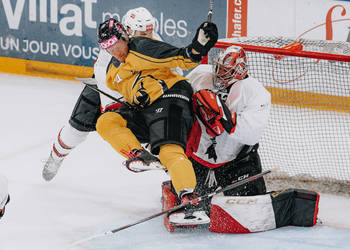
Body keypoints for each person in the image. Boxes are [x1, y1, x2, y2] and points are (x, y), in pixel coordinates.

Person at [162, 45, 319, 231]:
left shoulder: (257, 92)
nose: (219, 73)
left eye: (225, 70)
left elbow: (251, 134)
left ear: (239, 70)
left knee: (248, 205)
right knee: (189, 203)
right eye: (218, 67)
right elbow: (177, 101)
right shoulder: (200, 75)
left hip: (236, 161)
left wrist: (224, 115)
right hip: (199, 157)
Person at [95, 17, 218, 225]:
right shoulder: (112, 72)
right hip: (145, 110)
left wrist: (198, 47)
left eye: (116, 44)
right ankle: (139, 154)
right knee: (106, 121)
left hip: (171, 97)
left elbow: (183, 58)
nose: (114, 51)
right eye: (108, 48)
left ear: (125, 36)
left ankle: (191, 200)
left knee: (169, 150)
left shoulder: (141, 46)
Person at [42, 7, 162, 181]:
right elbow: (110, 105)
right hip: (107, 90)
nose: (148, 36)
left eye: (149, 31)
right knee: (76, 131)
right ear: (127, 31)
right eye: (142, 32)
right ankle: (56, 156)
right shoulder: (110, 53)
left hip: (136, 91)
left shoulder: (156, 44)